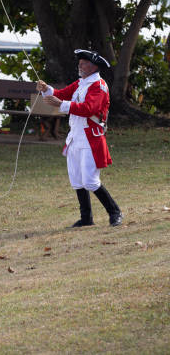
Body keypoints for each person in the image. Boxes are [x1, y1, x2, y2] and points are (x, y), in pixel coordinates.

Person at [36, 49, 122, 228]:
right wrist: (47, 90)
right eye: (80, 63)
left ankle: (114, 212)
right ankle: (86, 218)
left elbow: (89, 108)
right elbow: (61, 94)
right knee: (76, 179)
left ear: (93, 67)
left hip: (91, 138)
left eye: (84, 63)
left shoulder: (99, 85)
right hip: (75, 137)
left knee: (90, 181)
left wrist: (62, 105)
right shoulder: (81, 83)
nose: (80, 66)